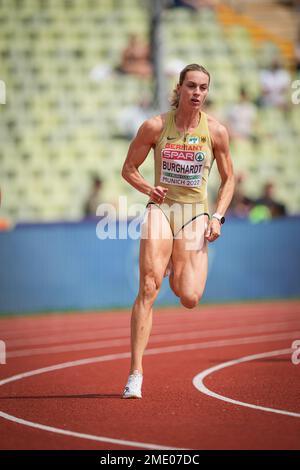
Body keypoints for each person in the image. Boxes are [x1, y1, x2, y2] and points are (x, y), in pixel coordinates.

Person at [121, 64, 235, 398]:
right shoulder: (155, 126)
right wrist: (148, 190)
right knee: (147, 286)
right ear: (180, 88)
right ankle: (135, 373)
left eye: (203, 88)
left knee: (189, 297)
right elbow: (128, 169)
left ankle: (174, 266)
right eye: (192, 86)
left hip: (194, 214)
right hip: (162, 209)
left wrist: (218, 217)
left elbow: (229, 179)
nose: (197, 93)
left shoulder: (216, 132)